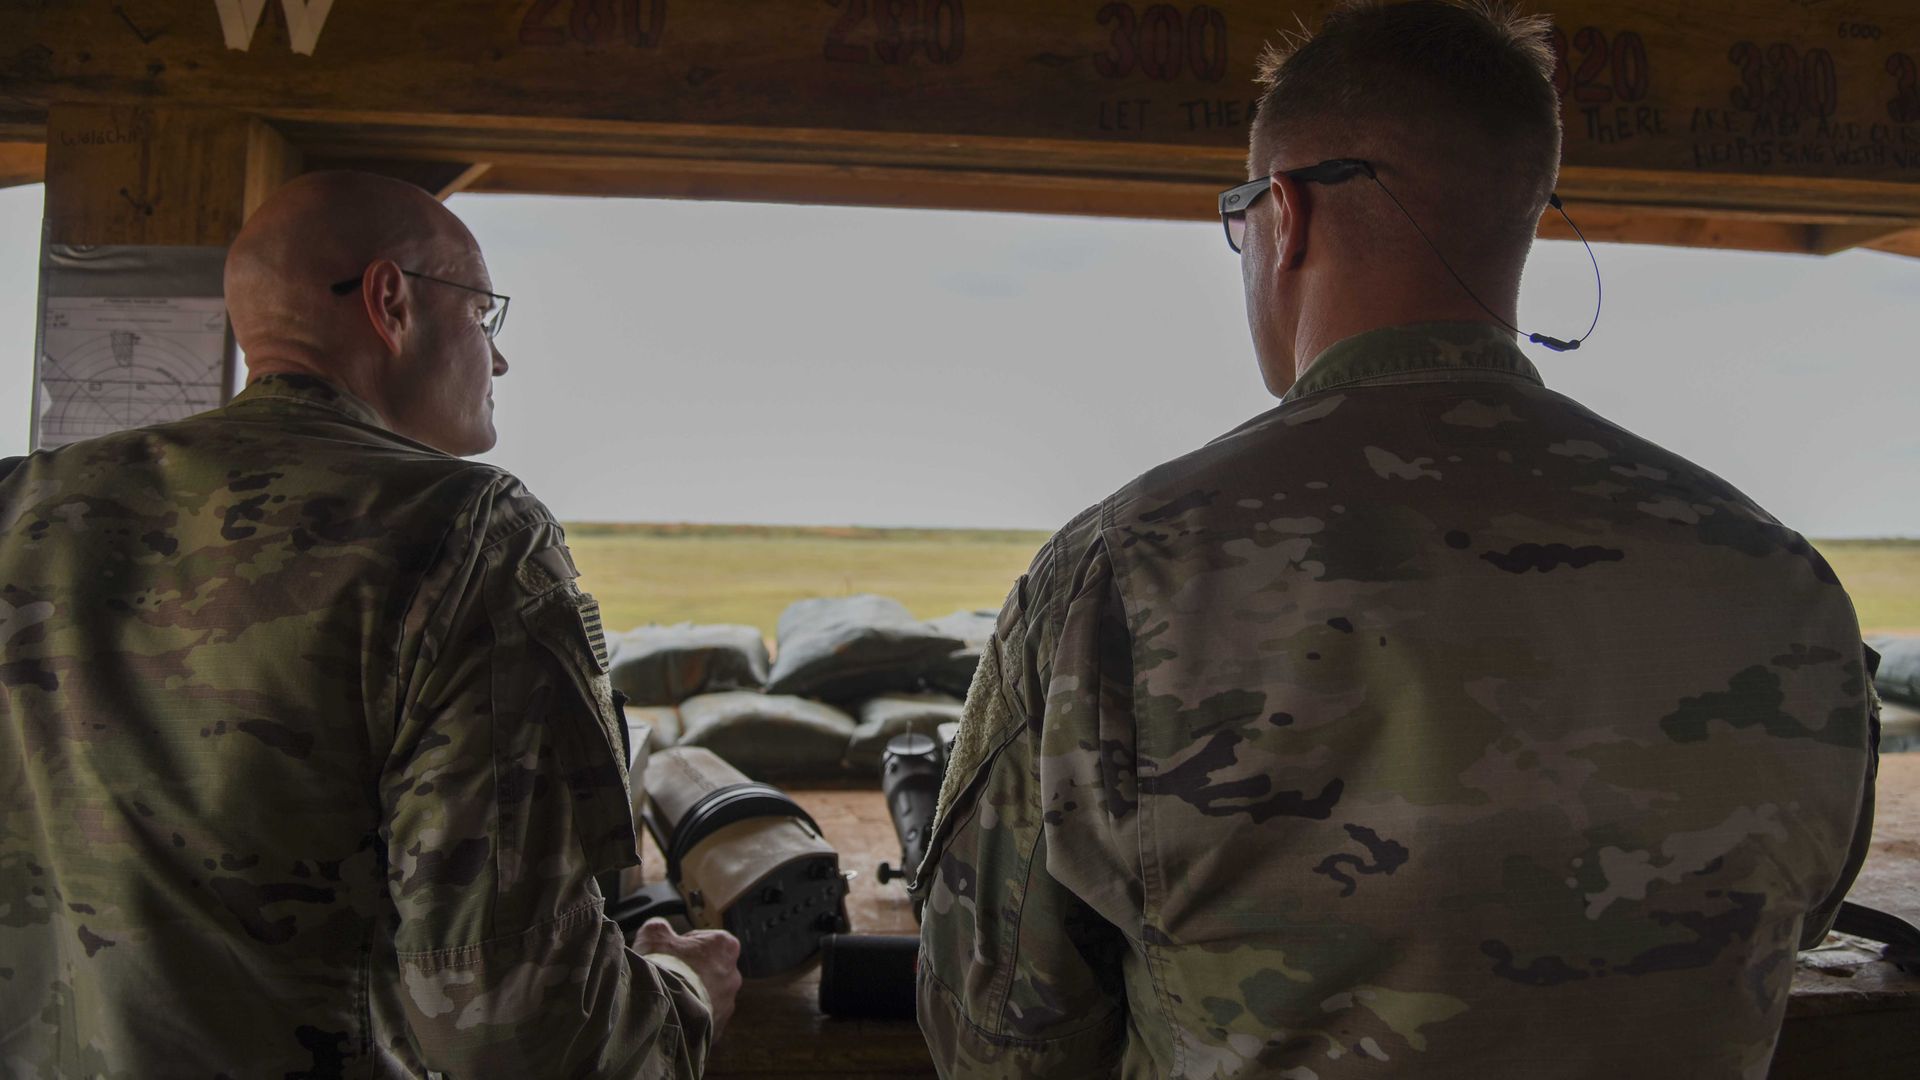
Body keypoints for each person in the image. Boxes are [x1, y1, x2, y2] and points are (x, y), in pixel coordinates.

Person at [914, 3, 1877, 1077]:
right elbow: (1790, 927)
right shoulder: (1778, 579)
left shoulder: (1125, 573)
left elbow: (998, 1032)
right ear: (1520, 216)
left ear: (1285, 216)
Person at [0, 171, 740, 1077]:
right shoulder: (465, 532)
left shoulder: (21, 504)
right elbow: (516, 1030)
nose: (498, 359)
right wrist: (681, 992)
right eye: (484, 315)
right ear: (392, 301)